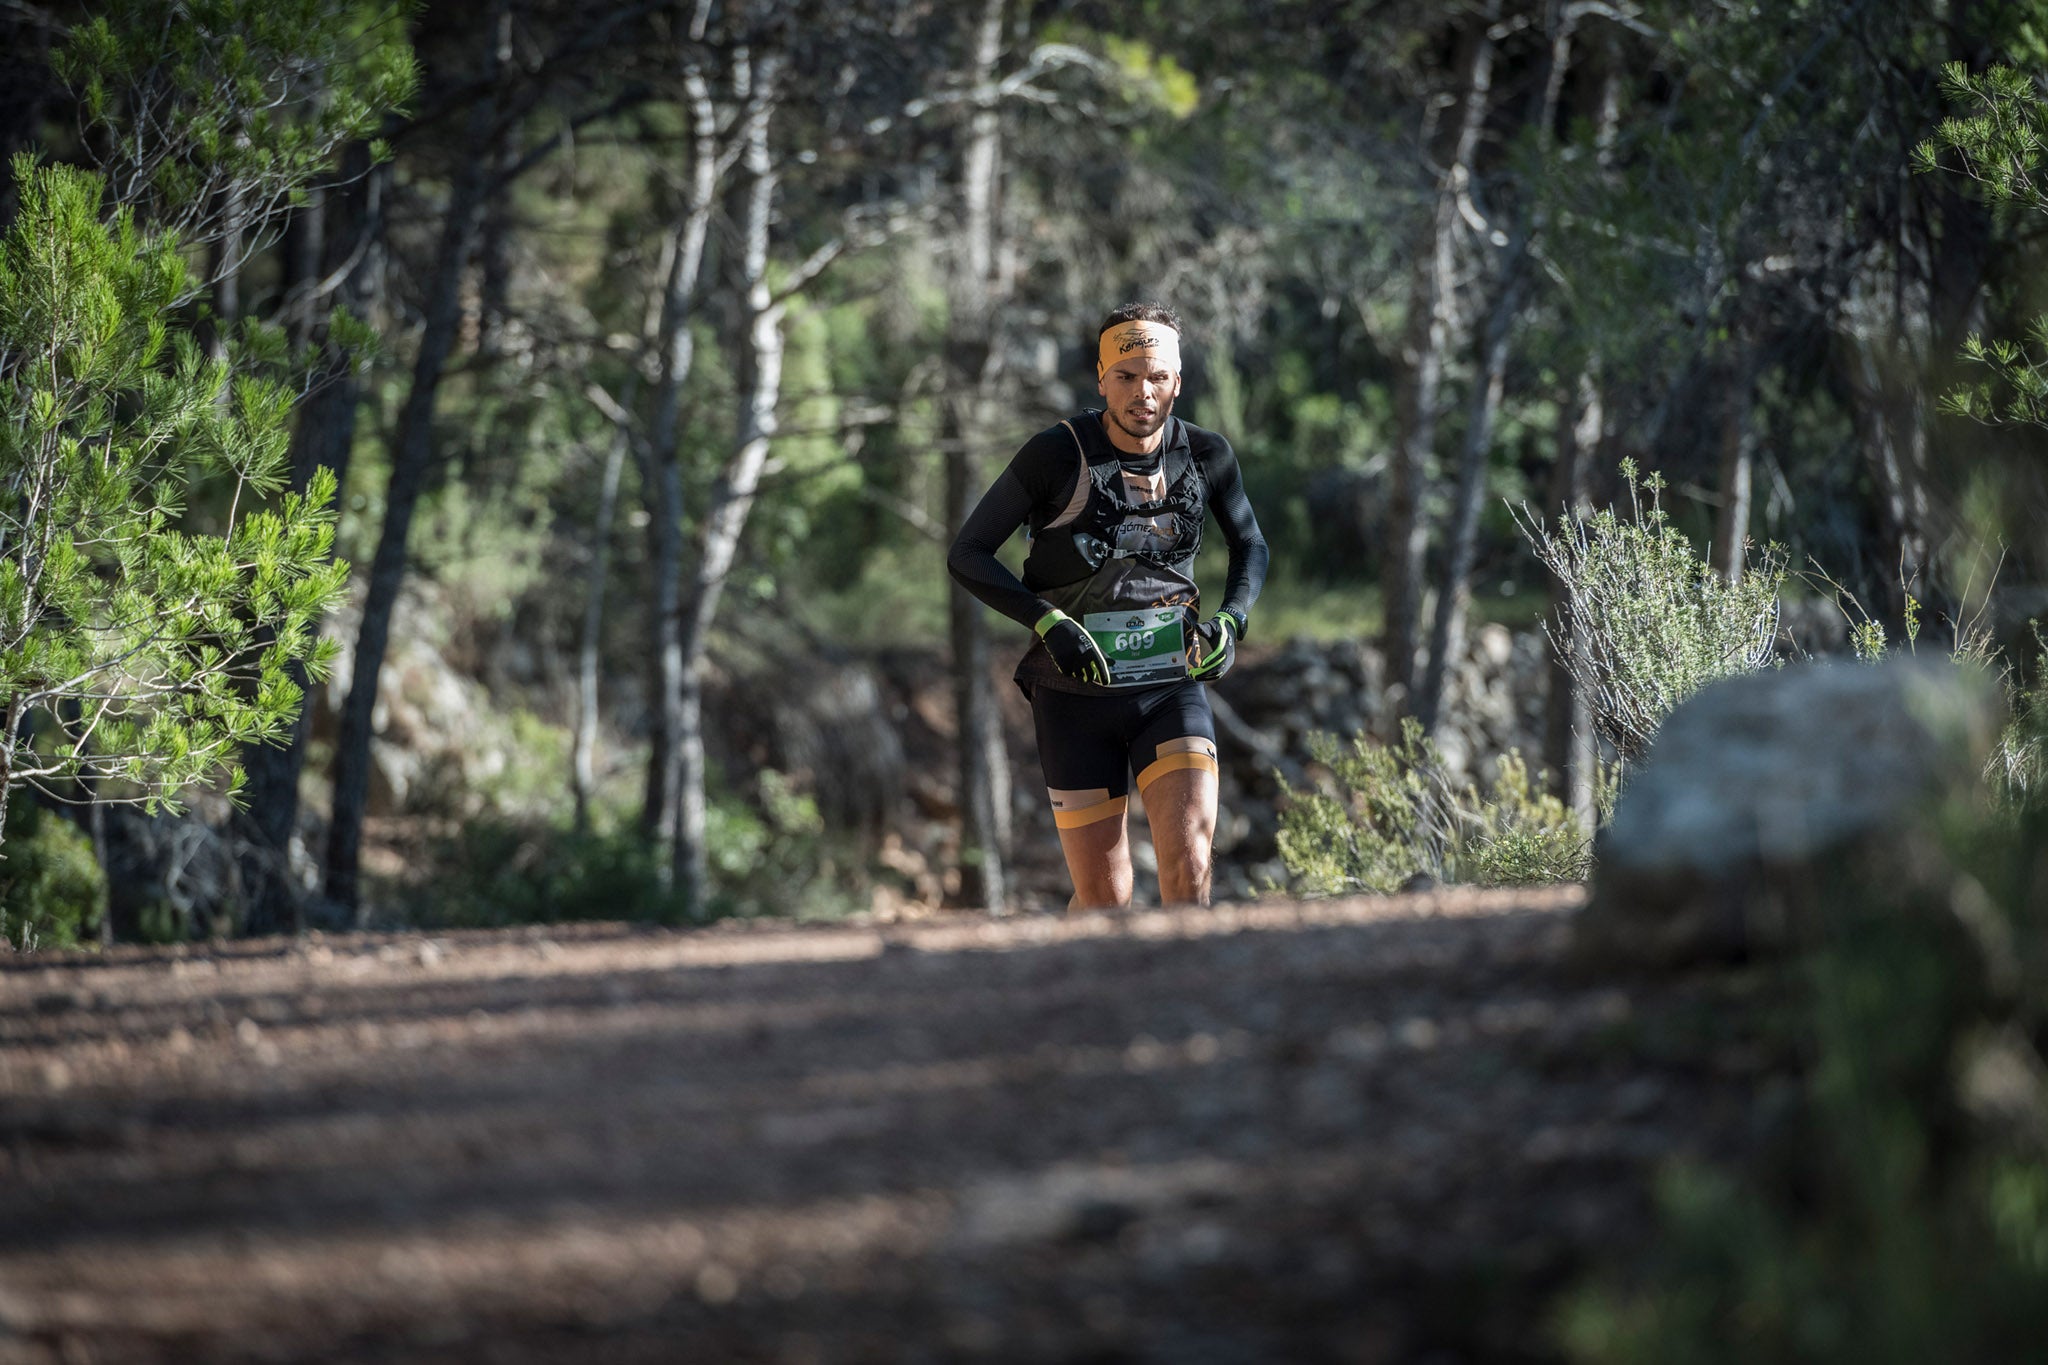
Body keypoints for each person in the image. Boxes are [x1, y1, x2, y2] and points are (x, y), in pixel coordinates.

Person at [947, 303, 1268, 909]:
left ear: (1177, 380)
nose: (1142, 392)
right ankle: (1084, 1000)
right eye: (1125, 376)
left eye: (1157, 376)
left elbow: (1250, 542)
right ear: (1101, 378)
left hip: (1170, 686)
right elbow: (969, 552)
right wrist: (1046, 620)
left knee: (1190, 863)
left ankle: (1182, 1001)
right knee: (1104, 898)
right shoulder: (1056, 454)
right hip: (1074, 695)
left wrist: (1232, 618)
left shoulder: (1206, 454)